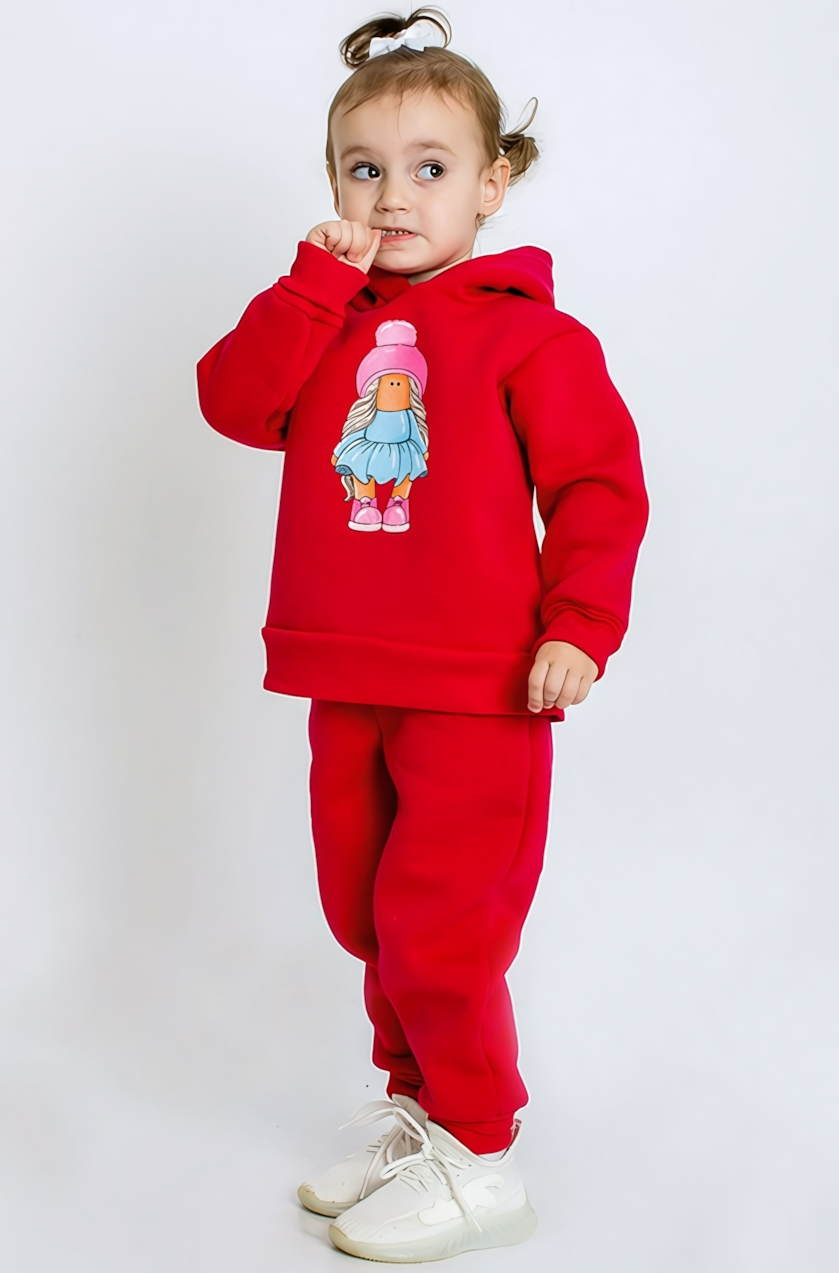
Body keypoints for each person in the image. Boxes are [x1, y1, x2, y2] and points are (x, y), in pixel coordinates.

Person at [196, 7, 649, 1262]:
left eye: (430, 167)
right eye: (364, 168)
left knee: (442, 925)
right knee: (367, 913)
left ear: (491, 183)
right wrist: (311, 283)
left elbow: (598, 488)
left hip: (478, 688)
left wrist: (580, 624)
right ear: (332, 182)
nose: (393, 196)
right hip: (346, 670)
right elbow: (233, 404)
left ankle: (480, 1152)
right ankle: (420, 1113)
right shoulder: (320, 320)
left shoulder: (532, 336)